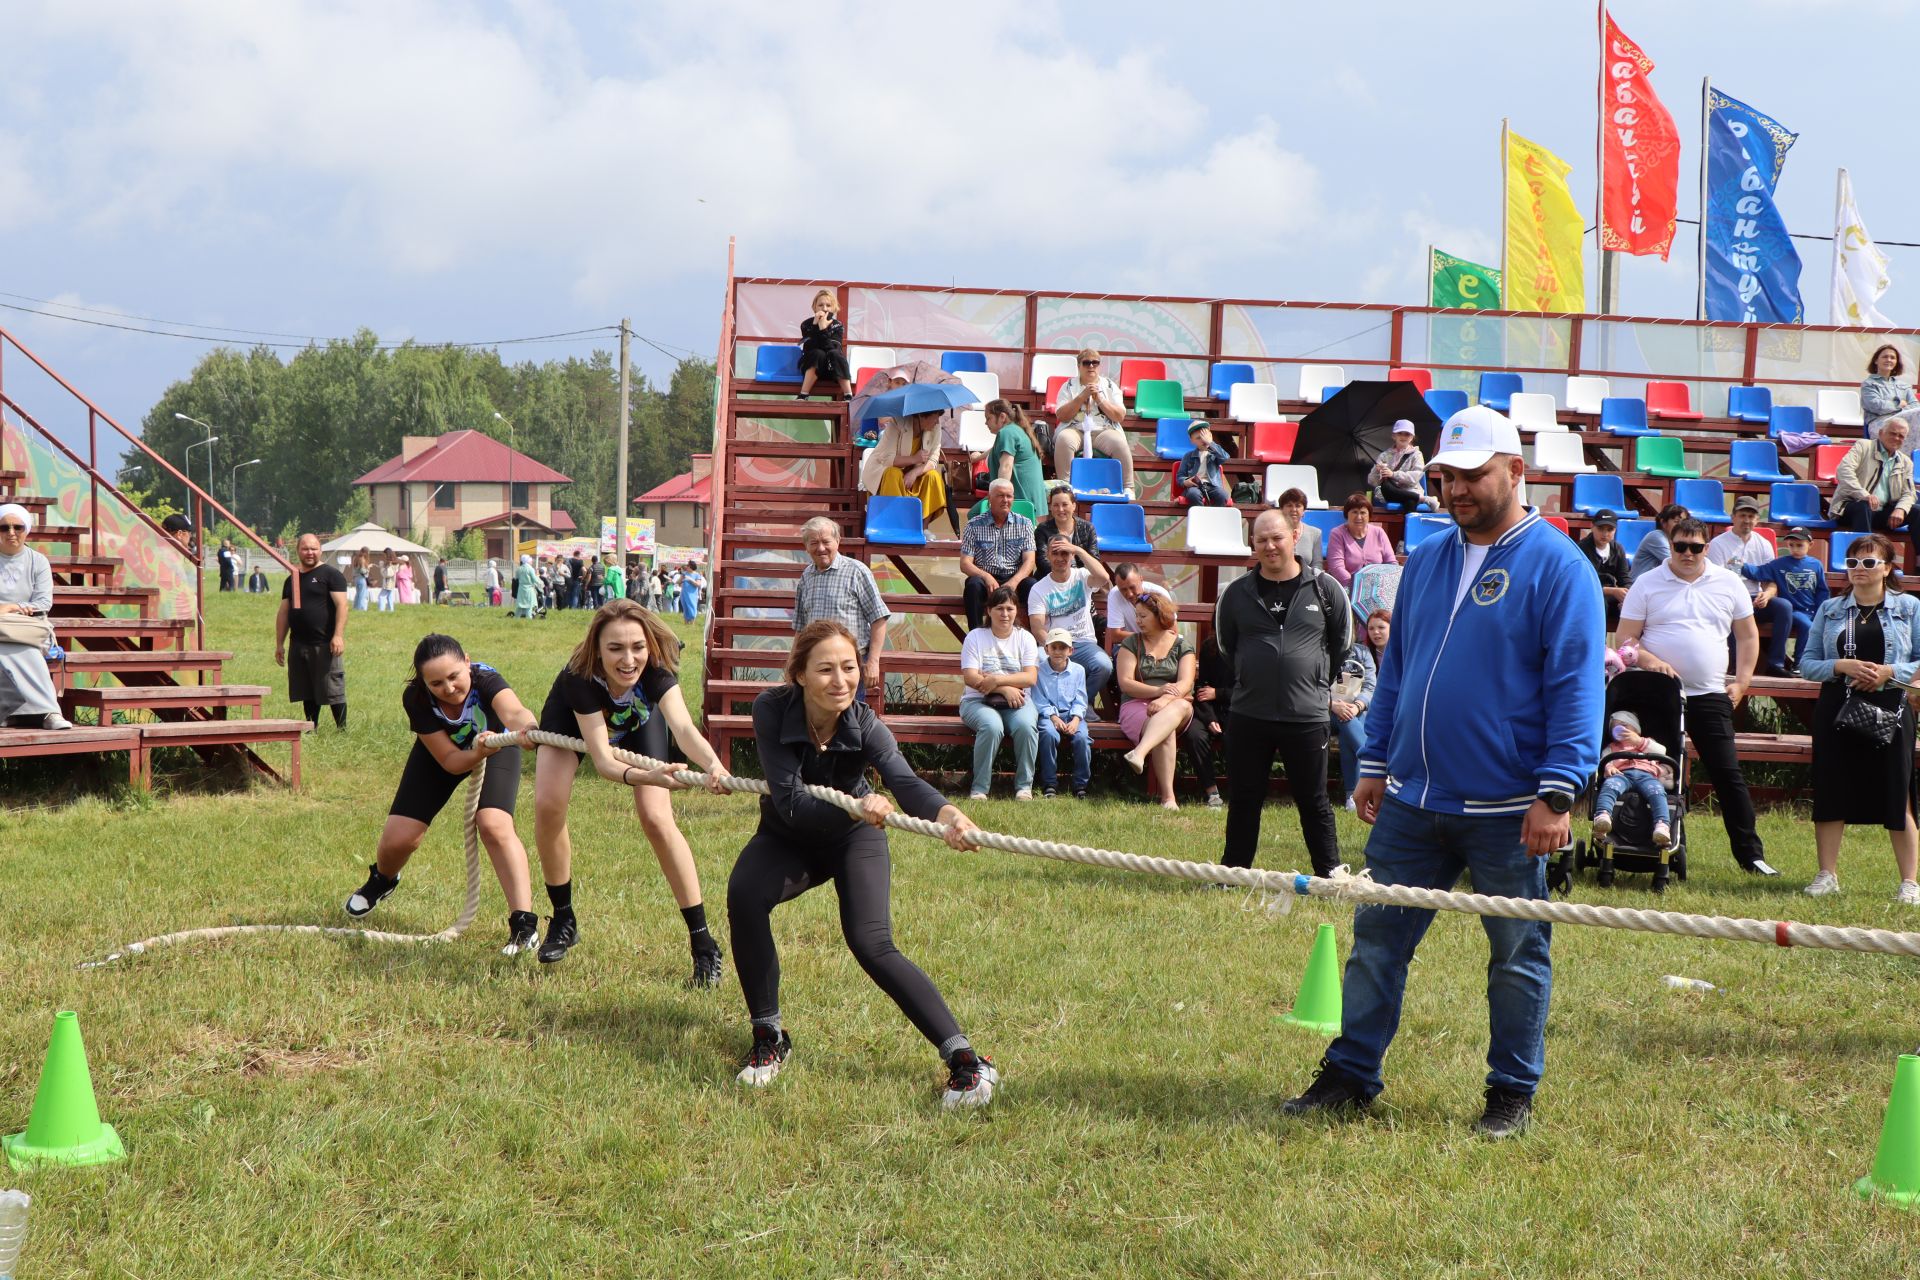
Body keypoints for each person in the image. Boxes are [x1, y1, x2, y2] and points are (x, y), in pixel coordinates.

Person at [1284, 405, 1602, 1138]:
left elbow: (1577, 687)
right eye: (1444, 477)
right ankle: (1350, 1074)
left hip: (1511, 809)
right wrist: (1377, 757)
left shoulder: (1561, 568)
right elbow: (1398, 670)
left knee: (1518, 954)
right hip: (1411, 801)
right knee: (1375, 946)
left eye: (1472, 476)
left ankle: (1511, 1092)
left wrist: (1557, 794)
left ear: (1516, 471)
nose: (1455, 491)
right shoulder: (1423, 559)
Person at [725, 621, 996, 1105]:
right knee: (745, 895)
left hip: (854, 840)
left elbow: (905, 782)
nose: (840, 680)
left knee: (871, 943)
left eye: (848, 667)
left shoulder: (865, 722)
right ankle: (769, 1039)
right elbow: (790, 803)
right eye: (825, 669)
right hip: (789, 836)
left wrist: (950, 814)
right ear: (800, 675)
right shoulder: (771, 709)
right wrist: (855, 803)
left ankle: (967, 1060)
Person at [533, 600, 732, 978]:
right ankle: (563, 918)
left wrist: (714, 765)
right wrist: (648, 776)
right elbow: (605, 762)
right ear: (597, 649)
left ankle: (703, 942)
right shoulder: (579, 677)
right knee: (548, 804)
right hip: (575, 724)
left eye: (637, 647)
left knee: (657, 818)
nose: (629, 659)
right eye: (616, 648)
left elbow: (685, 730)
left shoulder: (657, 671)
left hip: (638, 722)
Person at [344, 634, 544, 954]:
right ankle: (383, 880)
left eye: (454, 676)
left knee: (493, 824)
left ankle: (524, 924)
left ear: (467, 661)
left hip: (497, 746)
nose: (449, 688)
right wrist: (475, 753)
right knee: (401, 838)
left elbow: (515, 712)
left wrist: (529, 730)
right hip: (445, 753)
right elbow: (450, 761)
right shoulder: (416, 699)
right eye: (436, 683)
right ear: (424, 683)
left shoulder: (487, 680)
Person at [1615, 516, 1777, 875]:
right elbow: (1625, 641)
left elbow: (1748, 637)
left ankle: (1751, 856)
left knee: (1727, 773)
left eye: (1696, 547)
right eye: (1680, 547)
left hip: (1710, 693)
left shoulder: (1729, 582)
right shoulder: (1647, 582)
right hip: (1656, 692)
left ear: (1707, 546)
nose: (1688, 554)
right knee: (1656, 770)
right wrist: (1652, 660)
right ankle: (1650, 847)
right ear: (1669, 545)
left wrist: (1744, 681)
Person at [1213, 508, 1349, 874]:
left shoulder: (1326, 588)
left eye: (1277, 537)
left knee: (1314, 800)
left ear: (1294, 536)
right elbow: (1227, 647)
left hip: (1306, 716)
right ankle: (1233, 874)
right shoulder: (1235, 594)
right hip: (1249, 714)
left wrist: (1311, 680)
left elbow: (1342, 644)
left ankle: (1330, 876)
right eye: (1262, 540)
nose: (1270, 546)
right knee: (1243, 798)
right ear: (1252, 544)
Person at [1799, 532, 1920, 903]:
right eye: (1852, 563)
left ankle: (1909, 883)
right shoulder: (1829, 609)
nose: (1859, 570)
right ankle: (1827, 875)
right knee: (1832, 788)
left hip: (1892, 705)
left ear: (1887, 567)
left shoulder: (1910, 607)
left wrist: (1890, 671)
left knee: (1898, 793)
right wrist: (1839, 664)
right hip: (1837, 705)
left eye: (1868, 562)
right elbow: (1806, 664)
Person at [1115, 592, 1209, 811]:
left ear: (1160, 616)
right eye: (1136, 616)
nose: (1137, 621)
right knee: (1164, 729)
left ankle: (1139, 753)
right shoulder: (1131, 643)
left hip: (1175, 704)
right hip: (1136, 705)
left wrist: (1166, 698)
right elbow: (1126, 683)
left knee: (1180, 705)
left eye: (1143, 616)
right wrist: (1157, 691)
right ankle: (1169, 799)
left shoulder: (1181, 645)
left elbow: (1186, 683)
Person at [794, 516, 891, 703]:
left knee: (849, 722)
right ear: (806, 547)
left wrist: (873, 662)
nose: (820, 548)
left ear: (838, 541)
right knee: (818, 722)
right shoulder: (806, 576)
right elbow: (800, 628)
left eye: (826, 541)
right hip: (816, 665)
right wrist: (794, 664)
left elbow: (879, 618)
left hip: (850, 665)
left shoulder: (857, 571)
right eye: (814, 542)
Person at [959, 586, 1040, 800]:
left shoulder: (1026, 638)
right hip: (977, 701)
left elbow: (1030, 678)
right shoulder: (975, 637)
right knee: (992, 726)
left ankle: (1024, 787)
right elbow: (971, 678)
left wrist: (995, 678)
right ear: (989, 611)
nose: (1005, 614)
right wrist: (1005, 687)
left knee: (1026, 727)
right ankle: (979, 789)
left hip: (1018, 702)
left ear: (1017, 611)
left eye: (1010, 608)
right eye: (999, 608)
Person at [0, 504, 70, 730]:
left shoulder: (38, 561)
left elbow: (43, 603)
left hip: (28, 627)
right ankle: (15, 712)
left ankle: (50, 712)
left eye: (17, 527)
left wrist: (12, 608)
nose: (11, 532)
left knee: (27, 650)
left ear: (26, 530)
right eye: (4, 527)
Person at [1709, 496, 1796, 675]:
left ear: (1757, 519)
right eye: (1742, 515)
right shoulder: (1718, 543)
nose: (1747, 520)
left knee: (1784, 606)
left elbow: (1771, 580)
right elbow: (1716, 581)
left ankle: (1776, 664)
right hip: (1729, 598)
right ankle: (1734, 664)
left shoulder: (1763, 544)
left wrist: (1769, 594)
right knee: (1731, 609)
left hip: (1755, 599)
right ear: (1733, 517)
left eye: (1751, 516)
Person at [274, 533, 350, 731]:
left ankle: (342, 729)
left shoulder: (331, 575)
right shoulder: (292, 579)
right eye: (305, 549)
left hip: (324, 643)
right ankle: (311, 727)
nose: (310, 553)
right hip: (299, 644)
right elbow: (283, 612)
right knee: (306, 689)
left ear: (320, 550)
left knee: (332, 689)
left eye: (314, 549)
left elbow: (342, 605)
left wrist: (338, 635)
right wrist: (279, 644)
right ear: (298, 551)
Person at [1026, 535, 1114, 695]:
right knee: (1037, 661)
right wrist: (1056, 648)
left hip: (1083, 642)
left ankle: (1081, 703)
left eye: (1065, 553)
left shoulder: (1082, 575)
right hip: (1054, 643)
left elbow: (1103, 577)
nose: (1060, 558)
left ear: (1072, 555)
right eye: (1055, 553)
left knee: (1104, 666)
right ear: (1047, 555)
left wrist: (1079, 550)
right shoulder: (1039, 588)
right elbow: (1037, 628)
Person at [1740, 526, 1827, 674]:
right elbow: (1759, 572)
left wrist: (1822, 611)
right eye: (1791, 545)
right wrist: (1741, 565)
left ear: (1810, 545)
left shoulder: (1816, 565)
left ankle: (1811, 661)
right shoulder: (1779, 563)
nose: (1795, 549)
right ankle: (1800, 663)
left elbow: (1821, 590)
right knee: (1808, 626)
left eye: (1800, 545)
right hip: (1793, 611)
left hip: (1811, 610)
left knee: (1818, 626)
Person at [1051, 348, 1135, 498]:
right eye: (1087, 363)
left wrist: (1099, 399)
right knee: (1064, 439)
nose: (1091, 366)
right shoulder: (1069, 385)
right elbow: (1062, 415)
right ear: (1079, 366)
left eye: (1095, 363)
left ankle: (1129, 488)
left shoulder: (1109, 385)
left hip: (1103, 429)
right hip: (1075, 428)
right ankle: (1065, 486)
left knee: (1119, 443)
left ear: (1099, 366)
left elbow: (1120, 416)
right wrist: (1082, 396)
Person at [1831, 417, 1918, 561]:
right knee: (1864, 506)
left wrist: (1901, 509)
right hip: (1851, 508)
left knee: (1917, 511)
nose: (1896, 438)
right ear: (1881, 433)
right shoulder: (1863, 446)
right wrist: (1864, 494)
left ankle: (1918, 563)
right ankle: (1866, 558)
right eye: (1892, 433)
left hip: (1882, 512)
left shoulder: (1905, 461)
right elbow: (1843, 471)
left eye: (1901, 436)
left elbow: (1909, 492)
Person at [959, 480, 1035, 632]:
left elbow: (1030, 561)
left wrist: (1014, 581)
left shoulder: (1025, 524)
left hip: (1015, 577)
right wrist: (986, 577)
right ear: (989, 498)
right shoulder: (973, 525)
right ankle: (975, 635)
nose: (1005, 500)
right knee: (973, 585)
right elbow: (965, 563)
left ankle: (1034, 638)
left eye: (1009, 496)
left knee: (1032, 585)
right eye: (1000, 495)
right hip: (985, 579)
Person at [1589, 710, 1673, 848]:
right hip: (1622, 775)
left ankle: (1662, 825)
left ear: (1635, 728)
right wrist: (1608, 767)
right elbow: (1604, 760)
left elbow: (1662, 752)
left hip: (1647, 776)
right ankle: (1602, 817)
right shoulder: (1612, 747)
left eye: (1624, 725)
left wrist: (1639, 741)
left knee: (1657, 792)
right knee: (1609, 786)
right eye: (1614, 727)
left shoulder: (1647, 742)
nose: (1619, 729)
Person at [864, 410, 950, 534]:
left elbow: (933, 460)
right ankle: (896, 525)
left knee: (933, 476)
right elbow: (888, 460)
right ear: (921, 416)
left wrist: (915, 472)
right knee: (893, 473)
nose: (937, 422)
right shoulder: (896, 422)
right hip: (887, 472)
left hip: (912, 477)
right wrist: (914, 459)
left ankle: (922, 528)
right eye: (934, 417)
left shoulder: (935, 428)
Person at [1035, 628, 1092, 799]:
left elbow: (1081, 698)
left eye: (1063, 647)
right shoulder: (1038, 671)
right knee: (1048, 734)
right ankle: (1049, 783)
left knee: (1082, 738)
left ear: (1070, 650)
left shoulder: (1078, 670)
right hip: (1048, 715)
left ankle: (1081, 784)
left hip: (1072, 715)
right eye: (1054, 647)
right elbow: (1038, 698)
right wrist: (1053, 716)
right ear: (1046, 650)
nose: (1058, 652)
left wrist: (1075, 719)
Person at [1328, 632, 1376, 812]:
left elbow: (1371, 685)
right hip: (1326, 713)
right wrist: (1333, 705)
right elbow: (1312, 685)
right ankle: (1375, 762)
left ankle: (1352, 797)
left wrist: (1356, 706)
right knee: (1346, 720)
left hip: (1355, 712)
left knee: (1347, 723)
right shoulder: (1320, 650)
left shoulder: (1362, 653)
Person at [985, 399, 1047, 514]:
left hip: (1019, 501)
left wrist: (1000, 497)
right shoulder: (1016, 430)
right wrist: (979, 457)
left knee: (974, 514)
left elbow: (1006, 467)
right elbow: (998, 449)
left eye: (988, 418)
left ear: (1002, 417)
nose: (986, 423)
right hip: (1033, 503)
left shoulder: (1006, 433)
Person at [1324, 492, 1396, 588]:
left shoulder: (1379, 532)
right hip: (1348, 588)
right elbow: (1337, 568)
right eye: (1354, 512)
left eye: (1363, 513)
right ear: (1347, 514)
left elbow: (1391, 563)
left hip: (1377, 587)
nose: (1358, 517)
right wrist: (1358, 587)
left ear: (1369, 515)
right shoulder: (1337, 534)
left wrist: (1383, 584)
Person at [1578, 508, 1633, 633]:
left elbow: (1624, 577)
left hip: (1611, 594)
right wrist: (1612, 591)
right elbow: (1584, 584)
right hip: (1590, 595)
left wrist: (1627, 595)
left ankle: (1631, 646)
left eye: (1610, 529)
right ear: (1592, 527)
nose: (1605, 533)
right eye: (1601, 529)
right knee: (1600, 603)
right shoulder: (1582, 548)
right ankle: (1600, 645)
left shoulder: (1617, 548)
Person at [1104, 562, 1172, 653]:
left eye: (1132, 587)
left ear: (1141, 579)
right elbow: (1116, 636)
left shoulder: (1160, 593)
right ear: (1116, 585)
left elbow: (1172, 630)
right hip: (1130, 645)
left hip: (1159, 644)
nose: (1130, 594)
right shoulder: (1114, 594)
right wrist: (1150, 636)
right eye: (1123, 590)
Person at [796, 289, 851, 401]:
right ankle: (803, 394)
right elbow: (809, 348)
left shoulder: (838, 325)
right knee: (817, 353)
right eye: (821, 305)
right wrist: (816, 326)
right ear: (814, 307)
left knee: (835, 353)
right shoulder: (806, 325)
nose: (825, 309)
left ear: (834, 308)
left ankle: (848, 395)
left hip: (832, 368)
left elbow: (832, 348)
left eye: (828, 305)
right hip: (812, 364)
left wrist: (823, 328)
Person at [1863, 343, 1919, 438]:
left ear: (1896, 362)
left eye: (1892, 358)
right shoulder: (1869, 384)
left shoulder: (1904, 386)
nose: (1889, 360)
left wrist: (1894, 408)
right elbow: (1875, 406)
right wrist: (1898, 405)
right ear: (1876, 361)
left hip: (1905, 423)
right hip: (1880, 424)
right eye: (1885, 357)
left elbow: (1915, 406)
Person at [1367, 419, 1427, 508]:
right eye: (1400, 433)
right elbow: (1371, 481)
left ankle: (1409, 520)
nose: (1403, 436)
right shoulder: (1384, 455)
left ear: (1412, 437)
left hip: (1410, 490)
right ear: (1394, 436)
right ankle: (1424, 499)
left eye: (1407, 434)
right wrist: (1377, 470)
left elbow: (1415, 477)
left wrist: (1393, 474)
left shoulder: (1416, 454)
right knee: (1385, 486)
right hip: (1390, 492)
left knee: (1410, 501)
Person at [1033, 485, 1098, 562]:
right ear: (1050, 507)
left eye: (1065, 505)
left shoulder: (1088, 528)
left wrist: (1078, 551)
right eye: (1056, 505)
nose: (1060, 509)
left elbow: (1094, 560)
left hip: (1082, 573)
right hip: (1053, 573)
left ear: (1074, 506)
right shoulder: (1042, 529)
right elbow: (1042, 562)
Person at [1175, 420, 1231, 507]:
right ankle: (1199, 517)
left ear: (1210, 436)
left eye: (1205, 437)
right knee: (1193, 494)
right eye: (1198, 438)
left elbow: (1225, 457)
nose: (1203, 440)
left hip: (1213, 486)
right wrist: (1186, 482)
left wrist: (1210, 443)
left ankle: (1216, 518)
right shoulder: (1188, 456)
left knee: (1222, 495)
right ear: (1192, 440)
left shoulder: (1214, 454)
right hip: (1195, 486)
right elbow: (1180, 476)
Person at [1632, 503, 1690, 580]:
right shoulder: (1656, 537)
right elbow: (1675, 563)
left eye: (1684, 522)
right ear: (1663, 523)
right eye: (1677, 521)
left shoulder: (1678, 540)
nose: (1681, 525)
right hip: (1642, 585)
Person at [1276, 488, 1324, 571]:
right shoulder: (1273, 532)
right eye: (1289, 505)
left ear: (1304, 511)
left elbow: (1317, 565)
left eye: (1298, 506)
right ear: (1281, 509)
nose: (1294, 509)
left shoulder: (1315, 533)